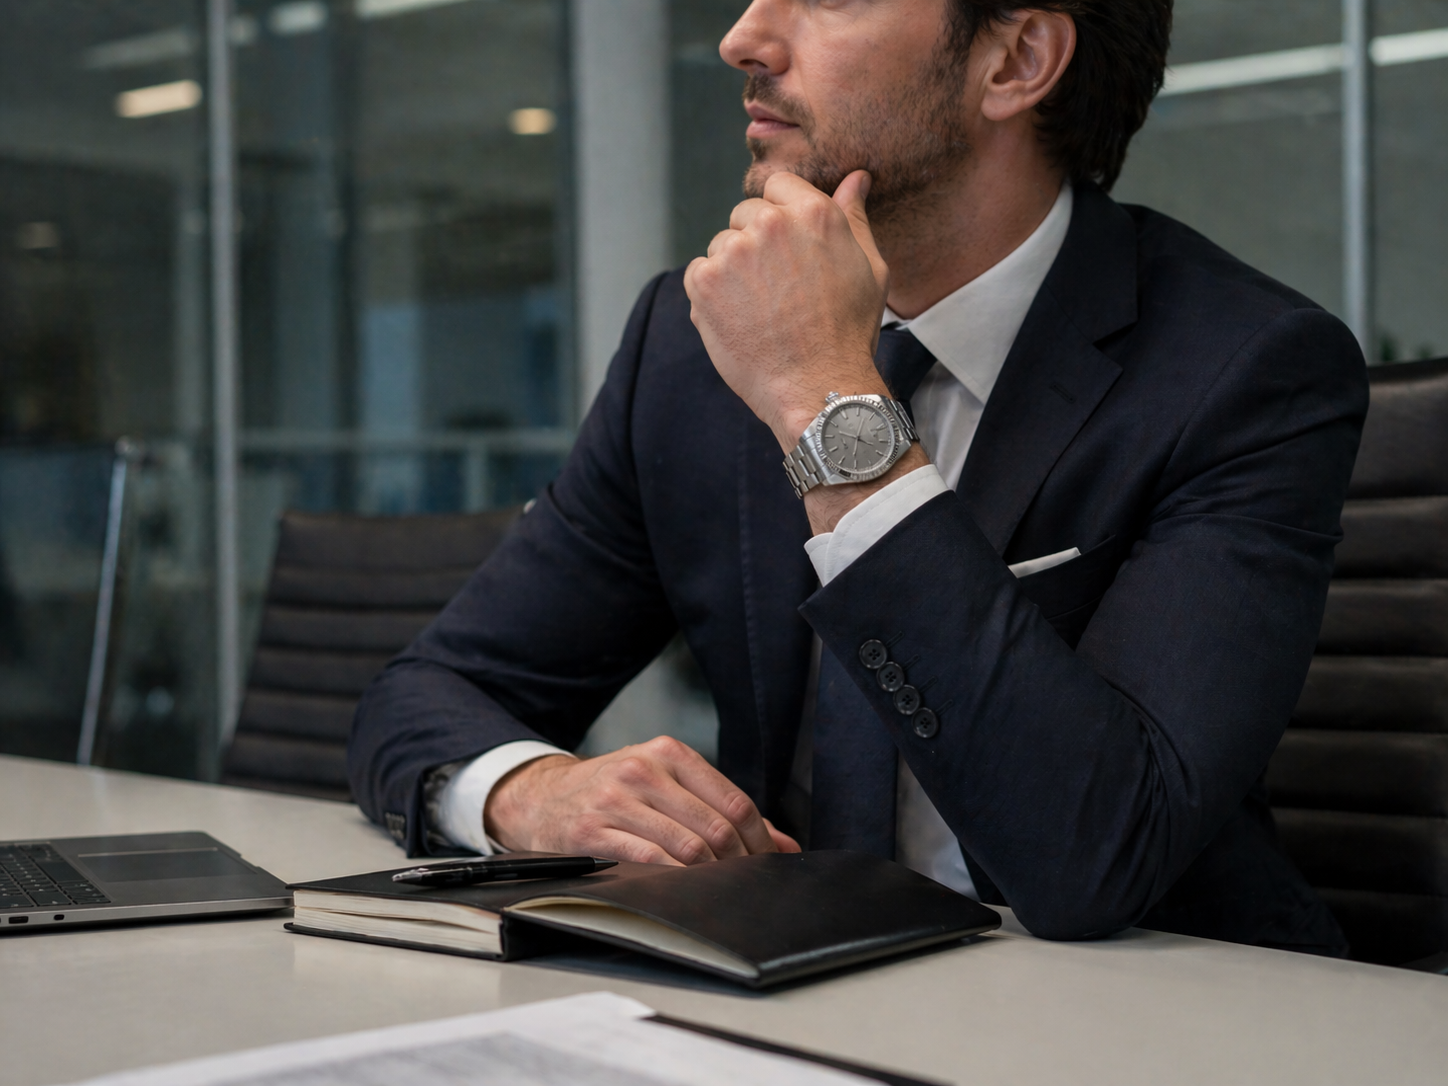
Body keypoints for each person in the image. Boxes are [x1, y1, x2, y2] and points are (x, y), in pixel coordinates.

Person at [350, 0, 1366, 953]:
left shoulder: (1243, 369)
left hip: (1145, 1013)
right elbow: (431, 692)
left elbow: (1094, 855)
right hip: (777, 983)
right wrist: (527, 791)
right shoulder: (686, 341)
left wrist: (824, 401)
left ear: (1012, 62)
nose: (742, 36)